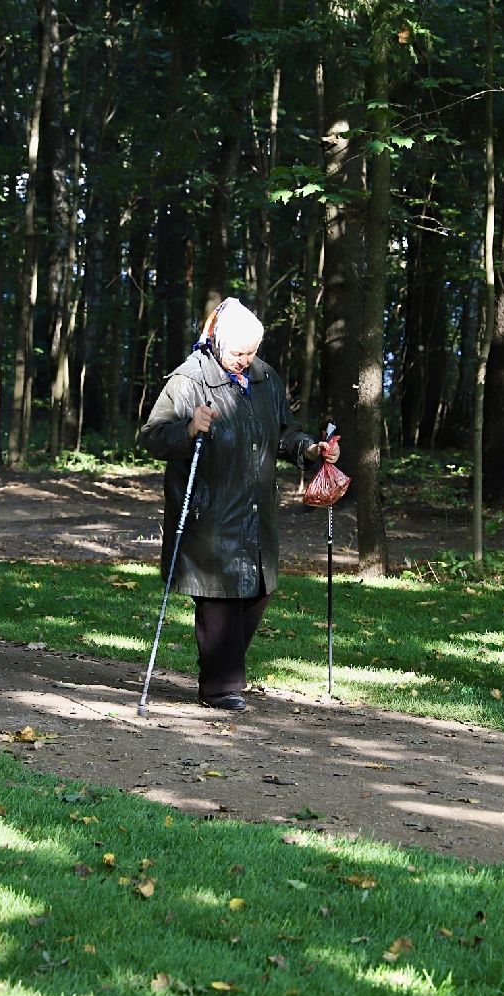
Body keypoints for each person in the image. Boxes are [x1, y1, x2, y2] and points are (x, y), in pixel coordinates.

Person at [139, 298, 341, 711]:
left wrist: (310, 449)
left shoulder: (266, 378)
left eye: (251, 353)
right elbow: (153, 436)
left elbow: (284, 433)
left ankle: (224, 675)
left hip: (255, 509)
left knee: (257, 592)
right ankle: (220, 686)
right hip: (208, 510)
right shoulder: (189, 379)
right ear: (217, 341)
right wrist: (189, 426)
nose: (244, 361)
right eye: (237, 353)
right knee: (219, 598)